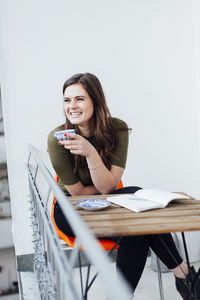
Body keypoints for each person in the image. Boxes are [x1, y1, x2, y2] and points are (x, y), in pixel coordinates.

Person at [48, 72, 199, 299]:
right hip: (70, 210)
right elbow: (78, 193)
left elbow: (108, 188)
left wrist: (90, 153)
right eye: (67, 100)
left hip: (108, 201)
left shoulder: (117, 129)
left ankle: (122, 295)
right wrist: (94, 163)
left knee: (136, 223)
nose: (72, 106)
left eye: (79, 99)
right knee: (135, 201)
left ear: (95, 101)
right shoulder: (58, 138)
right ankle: (185, 276)